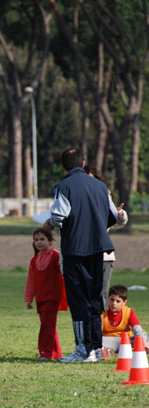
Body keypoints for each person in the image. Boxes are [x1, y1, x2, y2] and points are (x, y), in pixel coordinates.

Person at [44, 147, 118, 363]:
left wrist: (52, 224)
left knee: (78, 300)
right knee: (95, 300)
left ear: (63, 166)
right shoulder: (100, 186)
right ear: (84, 163)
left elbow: (58, 216)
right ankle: (95, 349)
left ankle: (82, 350)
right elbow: (113, 215)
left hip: (75, 250)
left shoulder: (64, 186)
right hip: (99, 249)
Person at [84, 164, 128, 309]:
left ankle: (101, 330)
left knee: (101, 295)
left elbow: (116, 220)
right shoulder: (77, 197)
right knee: (84, 296)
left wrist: (119, 215)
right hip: (82, 255)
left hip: (103, 256)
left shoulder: (104, 194)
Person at [24, 228, 68, 360]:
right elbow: (30, 281)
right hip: (41, 298)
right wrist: (28, 298)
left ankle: (46, 353)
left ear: (50, 241)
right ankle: (56, 353)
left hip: (53, 297)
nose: (38, 242)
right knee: (48, 326)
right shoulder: (34, 260)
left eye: (42, 239)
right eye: (36, 240)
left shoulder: (56, 256)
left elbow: (64, 274)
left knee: (46, 326)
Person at [102, 284, 149, 354]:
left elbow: (138, 331)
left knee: (145, 336)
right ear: (108, 299)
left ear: (124, 302)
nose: (114, 303)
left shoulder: (129, 312)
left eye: (118, 301)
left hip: (126, 340)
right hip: (107, 340)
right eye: (112, 300)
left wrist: (143, 342)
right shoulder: (102, 312)